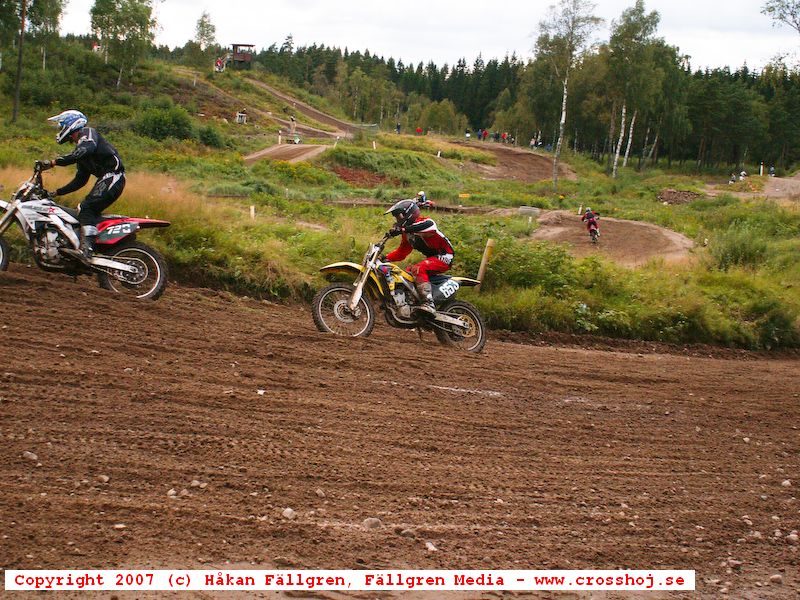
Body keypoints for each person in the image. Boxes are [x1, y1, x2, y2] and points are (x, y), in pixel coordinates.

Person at [39, 110, 125, 263]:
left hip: (113, 176)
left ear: (71, 124)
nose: (60, 130)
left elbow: (86, 149)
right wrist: (55, 193)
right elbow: (80, 181)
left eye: (62, 126)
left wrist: (53, 162)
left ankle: (87, 250)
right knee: (84, 211)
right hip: (109, 179)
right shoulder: (81, 153)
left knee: (86, 208)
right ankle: (89, 243)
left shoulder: (88, 134)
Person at [383, 197, 454, 315]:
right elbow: (401, 252)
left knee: (418, 268)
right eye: (396, 217)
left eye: (399, 216)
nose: (397, 219)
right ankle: (412, 302)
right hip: (432, 258)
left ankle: (429, 303)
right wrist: (385, 258)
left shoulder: (425, 223)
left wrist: (402, 229)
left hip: (445, 256)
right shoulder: (408, 234)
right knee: (405, 274)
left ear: (408, 214)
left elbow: (428, 225)